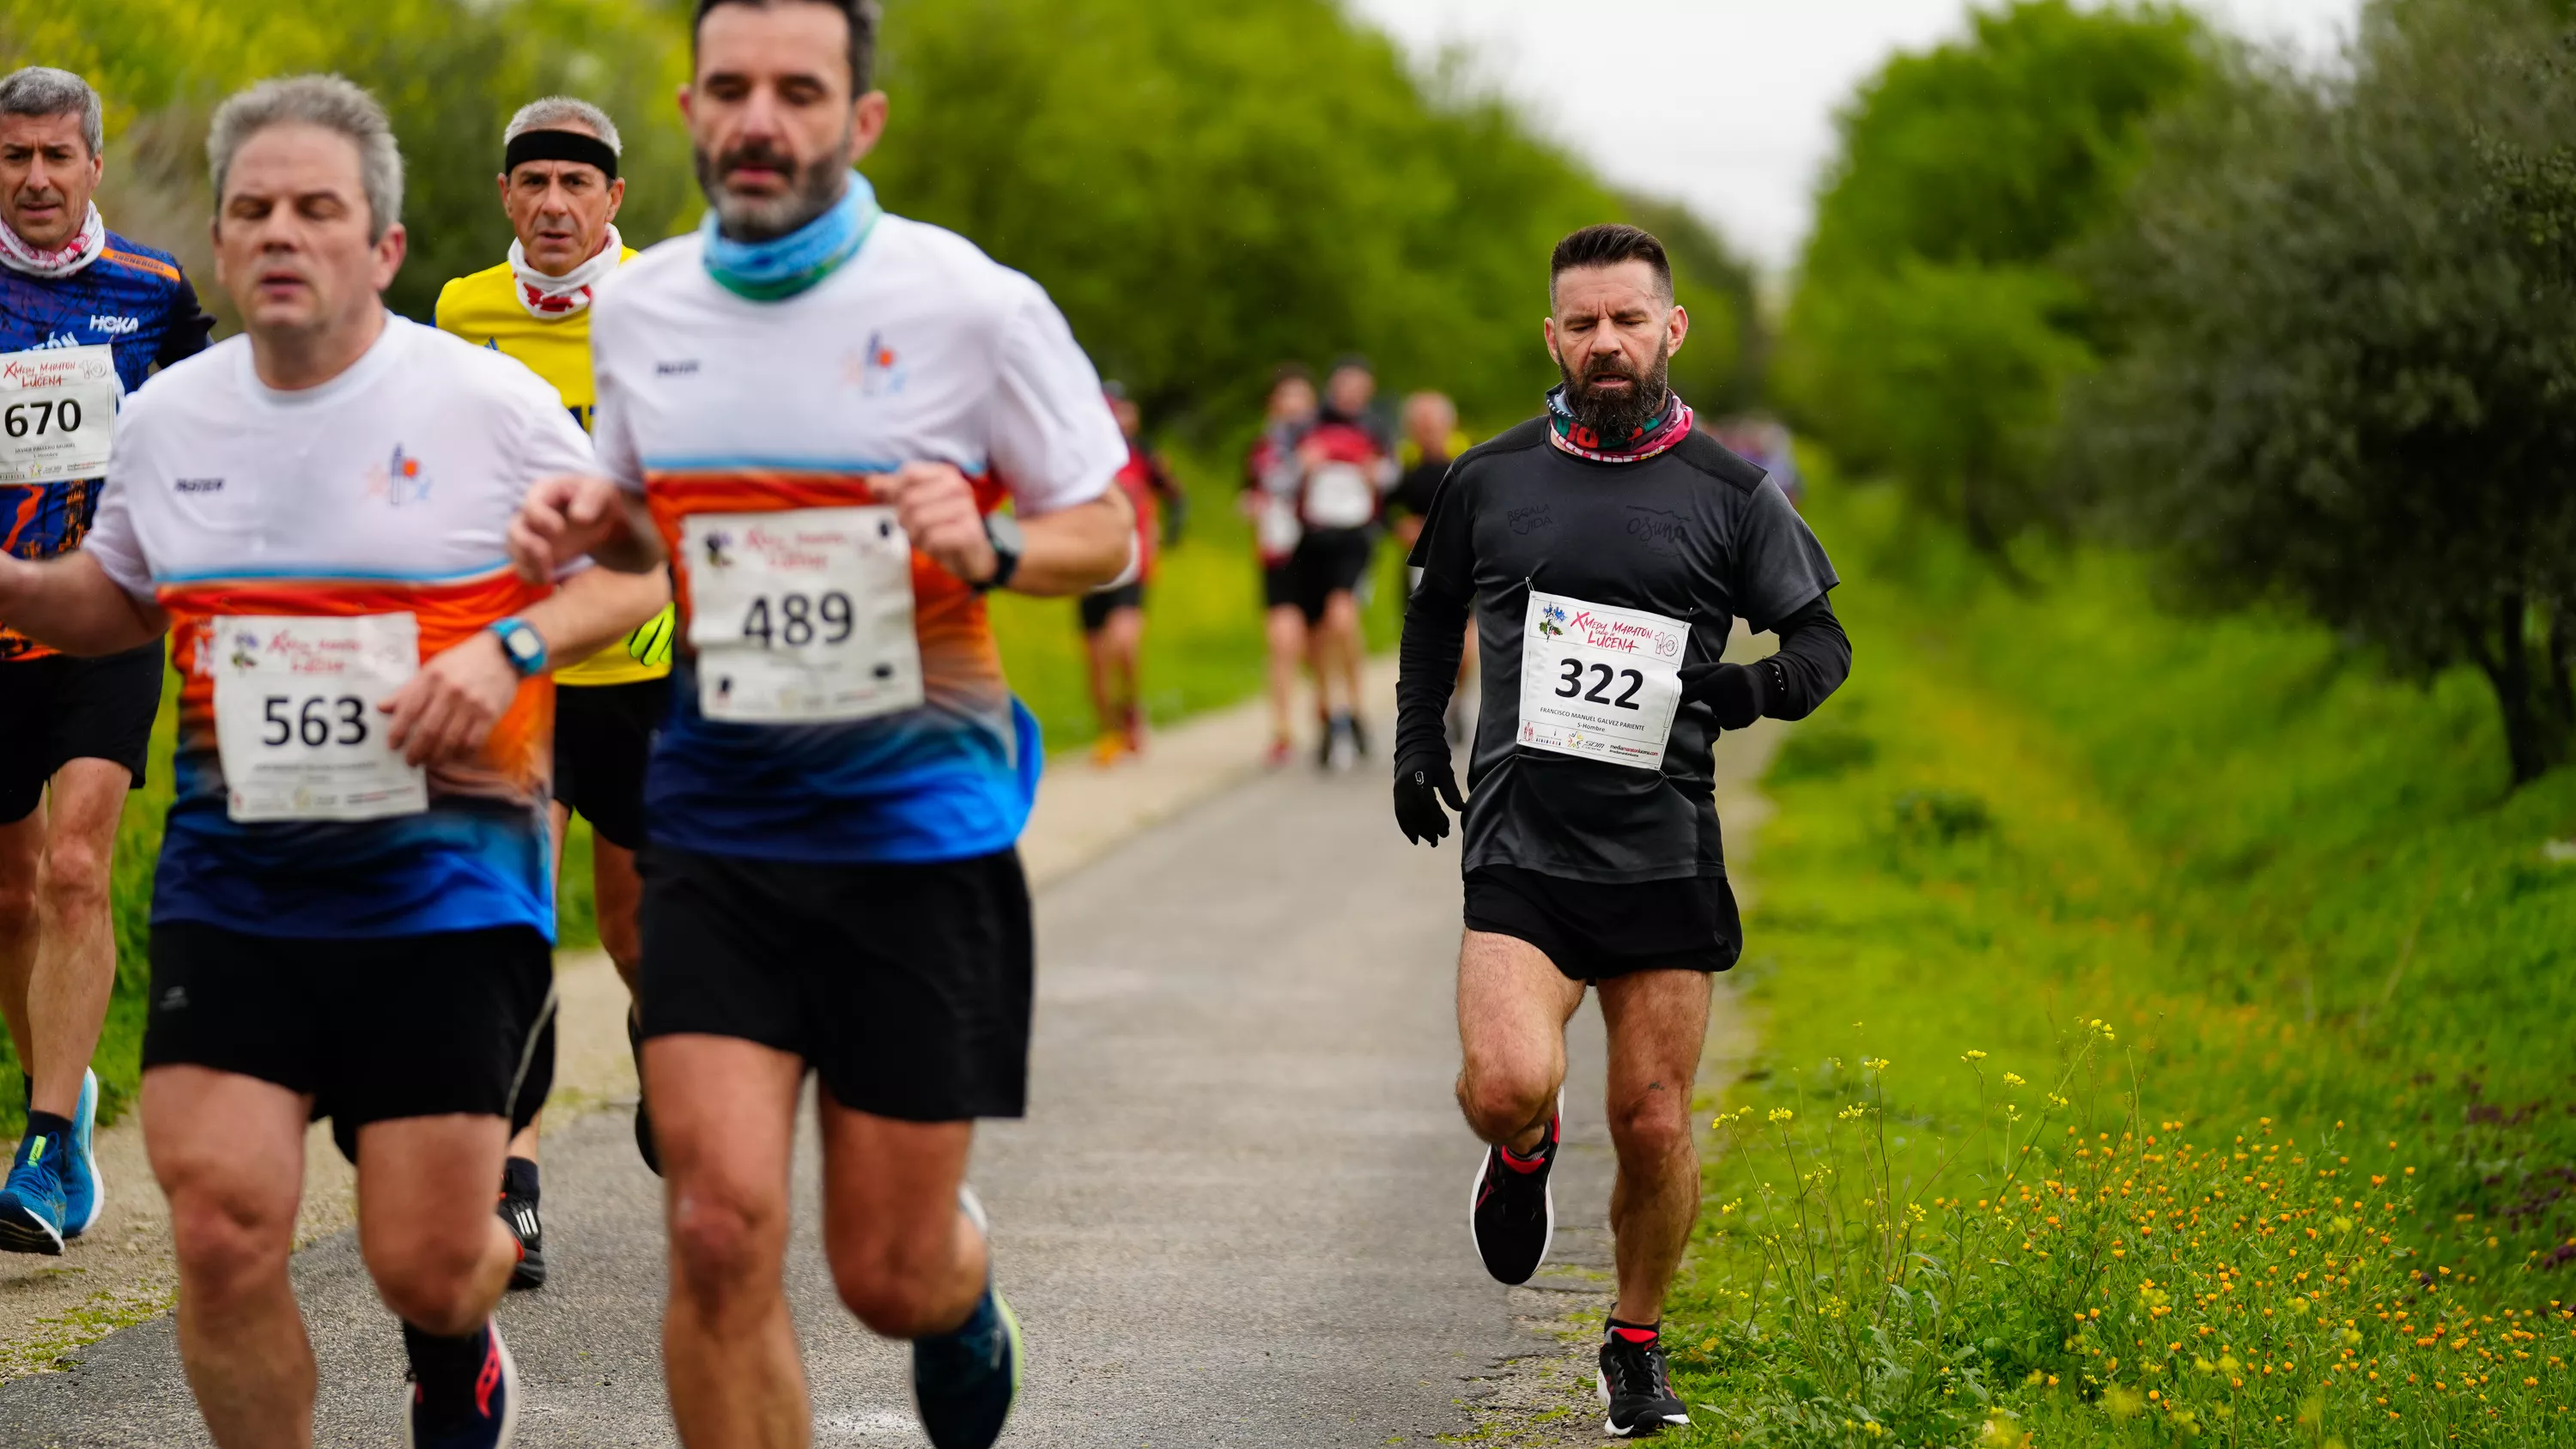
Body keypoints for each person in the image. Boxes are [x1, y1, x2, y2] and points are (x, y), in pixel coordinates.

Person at [502, 2, 1136, 1444]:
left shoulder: (965, 301)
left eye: (799, 89)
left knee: (886, 1272)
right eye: (732, 87)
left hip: (916, 838)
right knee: (718, 1229)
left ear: (862, 121)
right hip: (717, 826)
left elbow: (1104, 529)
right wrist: (584, 519)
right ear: (689, 111)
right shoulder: (648, 305)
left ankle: (958, 1287)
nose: (760, 118)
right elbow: (641, 527)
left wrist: (990, 548)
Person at [0, 75, 665, 1446]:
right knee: (225, 1238)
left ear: (386, 247)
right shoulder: (174, 413)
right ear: (225, 247)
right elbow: (114, 598)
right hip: (236, 888)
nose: (283, 233)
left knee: (429, 1262)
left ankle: (456, 1360)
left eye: (320, 208)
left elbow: (633, 564)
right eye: (255, 210)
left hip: (443, 899)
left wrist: (509, 654)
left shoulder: (484, 401)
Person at [1392, 224, 1850, 1439]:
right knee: (1504, 1083)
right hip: (1522, 850)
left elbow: (1822, 646)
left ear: (1671, 330)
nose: (1606, 343)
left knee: (1652, 1124)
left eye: (1628, 321)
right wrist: (1413, 744)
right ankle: (1524, 1151)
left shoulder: (1734, 491)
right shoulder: (1487, 477)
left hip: (1662, 855)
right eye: (1583, 324)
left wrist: (1747, 690)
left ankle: (1635, 1346)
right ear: (1552, 337)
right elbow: (1433, 615)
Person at [434, 93, 676, 1290]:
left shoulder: (666, 310)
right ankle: (514, 1185)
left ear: (614, 200)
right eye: (533, 183)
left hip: (641, 667)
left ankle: (659, 1041)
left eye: (577, 185)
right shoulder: (461, 312)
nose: (554, 205)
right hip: (519, 665)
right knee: (511, 920)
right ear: (507, 197)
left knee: (634, 931)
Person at [0, 65, 214, 1256]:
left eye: (54, 155)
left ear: (92, 164)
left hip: (110, 614)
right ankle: (66, 1099)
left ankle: (38, 1148)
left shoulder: (155, 290)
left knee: (80, 863)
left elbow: (206, 418)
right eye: (13, 155)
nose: (35, 175)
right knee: (13, 891)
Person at [1292, 354, 1394, 771]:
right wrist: (1302, 467)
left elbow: (1391, 478)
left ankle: (1352, 706)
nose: (1353, 393)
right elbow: (1277, 475)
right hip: (1310, 538)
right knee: (1316, 633)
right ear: (1333, 385)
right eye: (1346, 384)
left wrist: (1377, 475)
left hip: (1354, 538)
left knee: (1342, 616)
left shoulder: (1375, 428)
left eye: (1361, 386)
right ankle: (1328, 710)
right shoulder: (1307, 426)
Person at [1078, 381, 1181, 765]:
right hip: (1089, 564)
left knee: (1124, 642)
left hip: (1133, 563)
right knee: (1097, 656)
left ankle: (1132, 709)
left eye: (1123, 409)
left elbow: (1175, 494)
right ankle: (1107, 729)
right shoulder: (1078, 458)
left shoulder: (1144, 456)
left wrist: (1169, 533)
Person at [1388, 390, 1475, 746]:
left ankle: (1457, 699)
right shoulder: (1402, 462)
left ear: (1448, 424)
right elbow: (1381, 506)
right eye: (1418, 425)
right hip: (1418, 566)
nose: (1426, 431)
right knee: (1423, 640)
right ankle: (1429, 713)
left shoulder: (1469, 456)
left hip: (1465, 562)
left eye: (1432, 424)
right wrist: (1400, 526)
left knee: (1465, 646)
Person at [1243, 364, 1316, 767]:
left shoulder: (1329, 440)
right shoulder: (1263, 447)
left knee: (1317, 642)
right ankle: (1282, 729)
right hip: (1279, 554)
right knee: (1282, 641)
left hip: (1322, 554)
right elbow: (1253, 488)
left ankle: (1330, 713)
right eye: (1285, 398)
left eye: (1300, 398)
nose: (1293, 407)